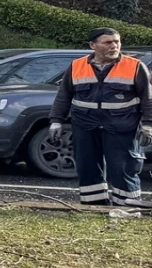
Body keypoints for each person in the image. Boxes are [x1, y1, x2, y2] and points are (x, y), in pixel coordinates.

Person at [49, 28, 152, 207]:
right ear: (93, 45)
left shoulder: (134, 66)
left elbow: (148, 98)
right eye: (108, 42)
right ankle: (94, 207)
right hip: (85, 126)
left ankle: (127, 207)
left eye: (117, 42)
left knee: (123, 168)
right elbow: (63, 96)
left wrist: (148, 125)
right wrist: (56, 121)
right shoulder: (77, 66)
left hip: (122, 126)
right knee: (87, 167)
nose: (114, 46)